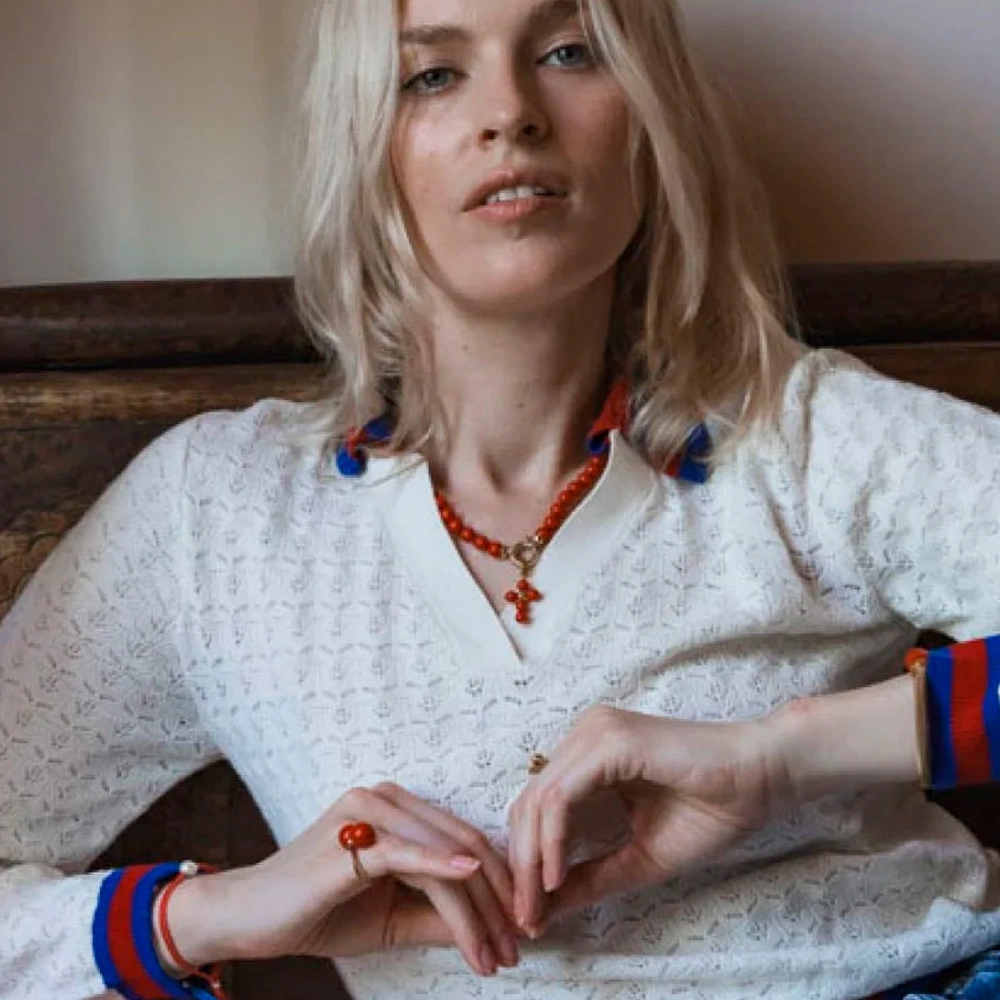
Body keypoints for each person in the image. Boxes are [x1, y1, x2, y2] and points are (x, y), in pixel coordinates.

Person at [2, 0, 1000, 998]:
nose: (511, 113)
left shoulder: (805, 439)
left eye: (569, 53)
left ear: (649, 116)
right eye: (432, 74)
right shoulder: (214, 513)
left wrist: (782, 757)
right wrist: (209, 913)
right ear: (361, 140)